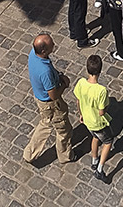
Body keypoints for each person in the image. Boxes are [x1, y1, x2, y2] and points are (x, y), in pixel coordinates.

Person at [23, 33, 74, 166]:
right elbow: (54, 95)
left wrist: (57, 75)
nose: (54, 45)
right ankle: (65, 156)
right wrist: (65, 84)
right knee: (63, 129)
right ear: (44, 50)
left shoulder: (33, 55)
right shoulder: (44, 71)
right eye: (52, 44)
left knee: (45, 123)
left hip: (40, 99)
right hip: (50, 104)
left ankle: (29, 153)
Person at [74, 53, 113, 183]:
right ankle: (100, 169)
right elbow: (102, 112)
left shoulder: (80, 83)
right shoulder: (101, 90)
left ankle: (94, 160)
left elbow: (78, 101)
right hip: (98, 122)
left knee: (95, 138)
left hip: (86, 121)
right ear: (100, 70)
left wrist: (81, 114)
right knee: (108, 141)